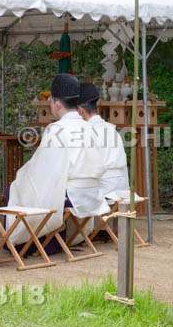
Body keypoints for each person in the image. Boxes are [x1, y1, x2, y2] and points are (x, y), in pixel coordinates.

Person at [6, 74, 109, 245]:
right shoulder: (91, 128)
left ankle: (30, 242)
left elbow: (45, 169)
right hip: (92, 191)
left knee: (16, 187)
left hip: (71, 193)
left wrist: (24, 174)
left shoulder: (57, 129)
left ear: (57, 103)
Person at [81, 83, 129, 198]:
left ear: (80, 110)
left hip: (104, 189)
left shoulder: (87, 132)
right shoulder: (112, 129)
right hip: (122, 187)